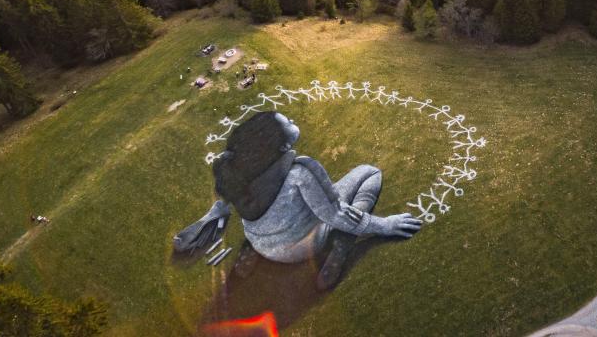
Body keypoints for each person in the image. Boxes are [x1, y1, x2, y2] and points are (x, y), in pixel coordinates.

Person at [177, 111, 421, 290]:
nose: (293, 120)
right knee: (369, 172)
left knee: (283, 210)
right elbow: (336, 215)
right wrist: (386, 226)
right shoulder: (301, 170)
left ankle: (252, 253)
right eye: (288, 122)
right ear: (280, 141)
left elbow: (225, 203)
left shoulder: (233, 169)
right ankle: (341, 247)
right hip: (302, 247)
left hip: (264, 246)